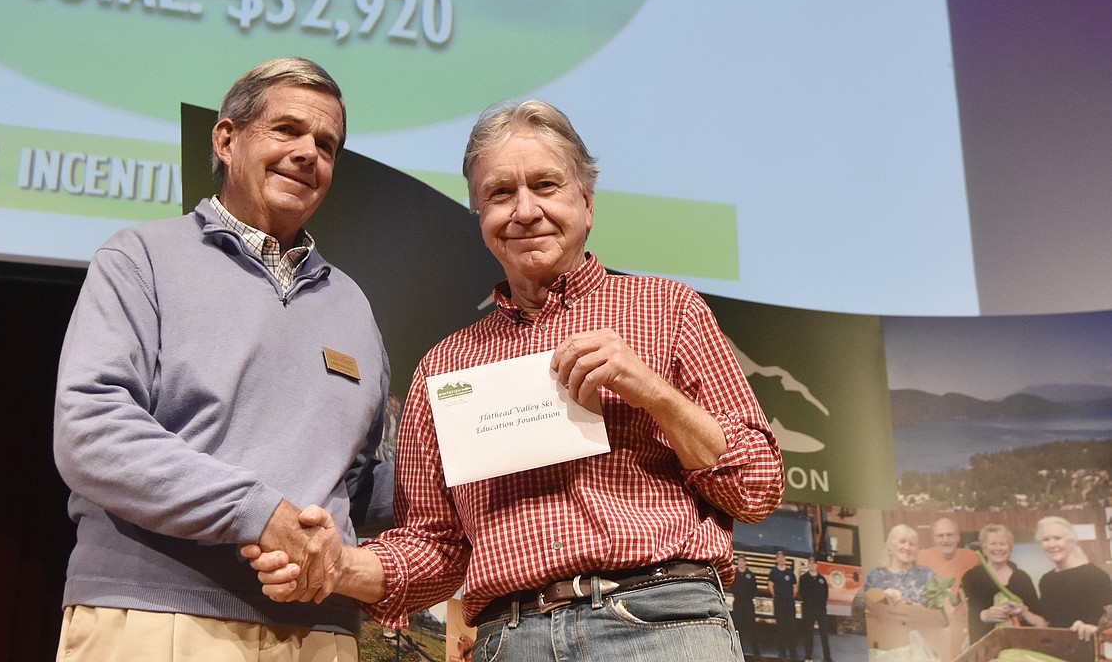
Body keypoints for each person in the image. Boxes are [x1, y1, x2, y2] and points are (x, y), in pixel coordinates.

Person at [246, 98, 784, 661]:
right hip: (512, 640)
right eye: (500, 194)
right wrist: (339, 565)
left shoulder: (669, 309)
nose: (525, 211)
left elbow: (756, 487)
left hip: (660, 623)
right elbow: (434, 549)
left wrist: (656, 395)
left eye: (546, 186)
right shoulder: (446, 366)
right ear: (480, 219)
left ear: (587, 203)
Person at [52, 57, 390, 661]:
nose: (309, 152)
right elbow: (91, 430)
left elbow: (362, 483)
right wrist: (259, 514)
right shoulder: (141, 258)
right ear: (227, 139)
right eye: (286, 130)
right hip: (156, 617)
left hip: (320, 632)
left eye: (327, 144)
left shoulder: (355, 306)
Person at [1024, 516, 1112, 641]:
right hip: (1056, 651)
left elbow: (1107, 626)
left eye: (1057, 538)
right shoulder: (1047, 580)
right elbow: (1046, 623)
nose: (1052, 544)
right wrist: (1022, 612)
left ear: (1071, 541)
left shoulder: (1096, 576)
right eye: (1046, 539)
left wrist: (1091, 628)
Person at [959, 524, 1040, 643]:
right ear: (984, 548)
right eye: (993, 543)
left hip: (1019, 647)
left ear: (1009, 548)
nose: (998, 548)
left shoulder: (1022, 578)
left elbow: (1039, 619)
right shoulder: (971, 577)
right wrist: (984, 615)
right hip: (983, 647)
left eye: (1003, 544)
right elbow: (962, 616)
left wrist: (1023, 611)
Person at [864, 524, 936, 604]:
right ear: (890, 546)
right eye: (902, 542)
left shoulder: (927, 575)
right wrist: (882, 596)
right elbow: (863, 607)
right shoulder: (875, 576)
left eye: (911, 544)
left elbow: (938, 609)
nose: (907, 547)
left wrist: (907, 603)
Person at [916, 517, 978, 596]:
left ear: (957, 537)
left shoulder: (972, 557)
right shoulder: (920, 557)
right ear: (934, 539)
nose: (945, 540)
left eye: (950, 535)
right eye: (940, 536)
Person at [798, 557, 831, 662]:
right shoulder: (804, 578)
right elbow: (801, 593)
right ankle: (808, 657)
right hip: (809, 610)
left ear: (817, 565)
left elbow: (826, 594)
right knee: (808, 633)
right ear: (808, 565)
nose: (812, 565)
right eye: (810, 563)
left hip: (820, 610)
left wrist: (820, 605)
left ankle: (827, 657)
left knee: (824, 634)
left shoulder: (822, 579)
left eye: (814, 563)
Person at [768, 550, 799, 661]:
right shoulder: (773, 572)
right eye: (779, 557)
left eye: (782, 557)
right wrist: (776, 595)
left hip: (789, 603)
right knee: (780, 628)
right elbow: (770, 585)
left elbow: (795, 586)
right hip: (779, 603)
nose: (781, 559)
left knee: (791, 628)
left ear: (785, 559)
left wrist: (790, 596)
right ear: (777, 559)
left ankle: (793, 652)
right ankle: (782, 652)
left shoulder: (790, 572)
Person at [732, 554, 763, 661]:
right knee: (738, 627)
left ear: (745, 563)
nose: (741, 563)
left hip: (748, 604)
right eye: (739, 561)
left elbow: (754, 589)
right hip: (738, 604)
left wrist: (748, 597)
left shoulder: (750, 575)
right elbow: (731, 587)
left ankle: (756, 651)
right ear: (738, 563)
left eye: (743, 561)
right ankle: (736, 650)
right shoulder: (734, 574)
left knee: (751, 627)